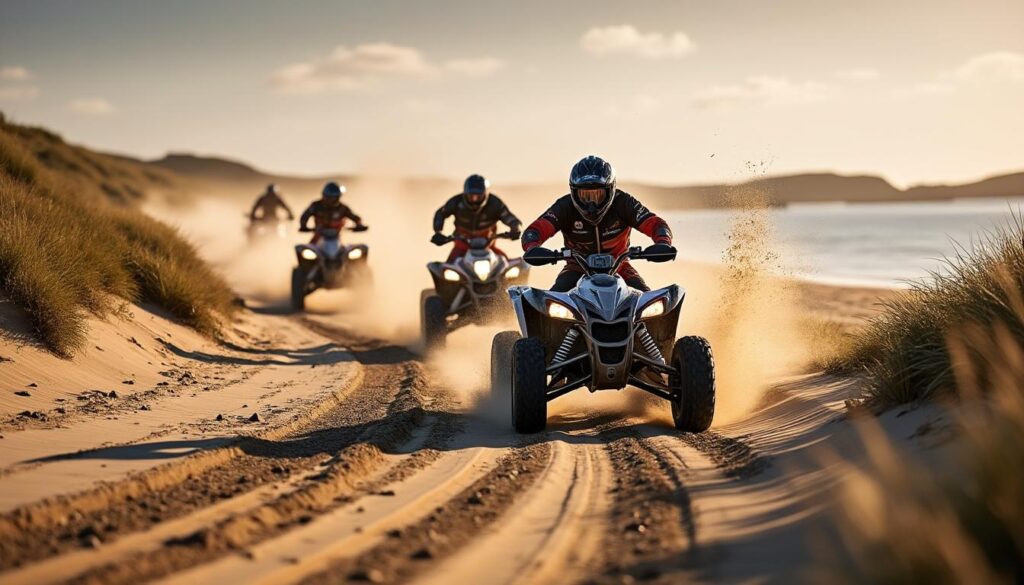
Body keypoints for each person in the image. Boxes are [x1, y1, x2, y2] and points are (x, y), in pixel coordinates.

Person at [521, 155, 673, 292]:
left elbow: (656, 224)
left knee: (647, 301)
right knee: (549, 304)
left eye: (598, 195)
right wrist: (533, 247)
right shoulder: (565, 206)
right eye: (585, 196)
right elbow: (534, 231)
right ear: (574, 193)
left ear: (610, 190)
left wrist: (663, 242)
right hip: (576, 268)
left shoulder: (624, 203)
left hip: (619, 267)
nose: (591, 204)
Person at [432, 174, 522, 262]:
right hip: (461, 247)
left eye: (478, 196)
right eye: (471, 196)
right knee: (447, 268)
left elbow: (510, 218)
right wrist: (438, 232)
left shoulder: (495, 204)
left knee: (508, 265)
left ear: (485, 194)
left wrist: (516, 229)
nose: (474, 200)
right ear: (465, 193)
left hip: (488, 245)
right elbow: (441, 214)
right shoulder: (456, 202)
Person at [298, 182, 367, 243]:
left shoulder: (342, 208)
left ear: (338, 197)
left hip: (336, 238)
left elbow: (354, 217)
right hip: (318, 237)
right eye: (328, 197)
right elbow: (305, 216)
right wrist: (303, 226)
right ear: (324, 196)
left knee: (347, 254)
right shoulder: (316, 206)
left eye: (333, 198)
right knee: (307, 251)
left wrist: (359, 224)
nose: (330, 200)